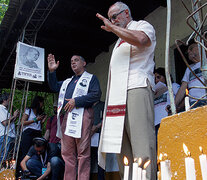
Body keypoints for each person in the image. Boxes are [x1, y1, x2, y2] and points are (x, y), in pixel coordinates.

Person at [96, 2, 157, 179]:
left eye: (114, 16)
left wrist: (113, 29)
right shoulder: (118, 42)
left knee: (142, 144)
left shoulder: (142, 25)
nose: (112, 21)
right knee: (122, 149)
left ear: (126, 14)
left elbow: (142, 40)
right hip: (117, 96)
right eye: (110, 18)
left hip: (136, 87)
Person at [47, 54, 102, 180]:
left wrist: (76, 101)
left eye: (76, 60)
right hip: (68, 117)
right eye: (71, 61)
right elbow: (54, 86)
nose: (73, 63)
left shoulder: (91, 79)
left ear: (84, 63)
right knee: (67, 152)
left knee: (83, 152)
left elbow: (96, 94)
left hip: (84, 115)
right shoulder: (68, 81)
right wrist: (52, 71)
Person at [17, 96, 47, 173]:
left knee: (36, 153)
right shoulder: (28, 110)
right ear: (38, 102)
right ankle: (22, 171)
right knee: (25, 152)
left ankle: (32, 170)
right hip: (28, 133)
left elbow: (39, 126)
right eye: (41, 103)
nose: (42, 104)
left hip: (37, 133)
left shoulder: (40, 113)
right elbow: (22, 122)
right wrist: (35, 120)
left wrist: (42, 121)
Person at [175, 41, 207, 109]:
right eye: (188, 51)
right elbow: (182, 88)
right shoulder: (189, 69)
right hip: (193, 103)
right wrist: (174, 104)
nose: (189, 52)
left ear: (200, 47)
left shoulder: (205, 62)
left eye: (191, 48)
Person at [154, 68, 180, 138]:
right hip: (155, 124)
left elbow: (183, 97)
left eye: (158, 77)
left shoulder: (173, 86)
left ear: (165, 76)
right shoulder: (153, 92)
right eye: (155, 79)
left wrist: (178, 107)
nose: (156, 80)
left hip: (168, 120)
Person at [0, 93, 19, 163]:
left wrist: (15, 116)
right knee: (3, 156)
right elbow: (4, 123)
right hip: (4, 136)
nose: (10, 101)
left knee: (7, 156)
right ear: (4, 100)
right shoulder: (0, 108)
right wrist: (13, 116)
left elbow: (9, 122)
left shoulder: (5, 110)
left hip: (9, 136)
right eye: (9, 99)